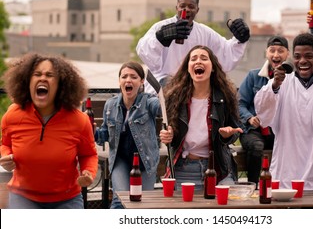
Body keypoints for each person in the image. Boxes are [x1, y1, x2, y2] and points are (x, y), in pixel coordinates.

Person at [0, 53, 98, 209]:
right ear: (27, 82)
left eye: (50, 75)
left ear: (61, 85)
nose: (43, 78)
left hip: (67, 199)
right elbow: (5, 144)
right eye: (37, 74)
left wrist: (88, 172)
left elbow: (89, 154)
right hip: (23, 197)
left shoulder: (79, 120)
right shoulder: (12, 115)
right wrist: (6, 156)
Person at [254, 33, 313, 190]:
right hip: (284, 173)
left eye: (309, 56)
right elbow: (263, 114)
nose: (302, 61)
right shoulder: (282, 82)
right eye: (297, 56)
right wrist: (275, 86)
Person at [159, 45, 243, 190]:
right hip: (183, 170)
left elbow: (234, 131)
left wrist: (226, 135)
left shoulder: (225, 96)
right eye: (193, 59)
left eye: (204, 58)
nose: (198, 61)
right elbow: (168, 133)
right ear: (188, 68)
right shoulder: (174, 97)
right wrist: (167, 136)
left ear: (213, 67)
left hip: (218, 168)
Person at [136, 0, 250, 91]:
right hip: (162, 88)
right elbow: (143, 51)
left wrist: (240, 38)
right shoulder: (161, 26)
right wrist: (160, 38)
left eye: (191, 6)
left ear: (197, 10)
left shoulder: (205, 33)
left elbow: (226, 52)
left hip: (194, 87)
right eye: (182, 6)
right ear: (177, 8)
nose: (186, 9)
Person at [94, 61, 162, 209]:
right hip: (121, 159)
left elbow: (161, 108)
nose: (128, 80)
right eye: (124, 76)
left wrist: (164, 96)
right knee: (120, 200)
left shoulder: (148, 101)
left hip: (146, 160)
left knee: (144, 203)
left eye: (133, 76)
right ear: (119, 81)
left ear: (141, 81)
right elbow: (104, 135)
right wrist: (93, 132)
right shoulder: (110, 105)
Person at [238, 35, 290, 188]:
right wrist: (249, 118)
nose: (276, 55)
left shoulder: (292, 78)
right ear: (266, 53)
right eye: (272, 50)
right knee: (256, 147)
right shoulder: (253, 76)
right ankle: (253, 187)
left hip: (278, 130)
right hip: (254, 129)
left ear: (287, 54)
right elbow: (240, 103)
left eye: (281, 51)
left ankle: (283, 187)